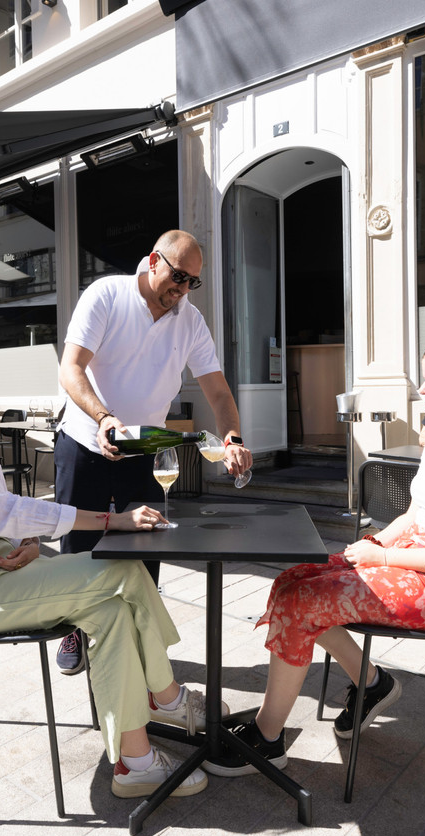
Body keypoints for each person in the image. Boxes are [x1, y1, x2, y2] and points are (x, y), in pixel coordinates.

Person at [0, 337, 221, 799]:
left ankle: (135, 763)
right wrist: (110, 519)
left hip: (4, 569)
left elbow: (8, 520)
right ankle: (168, 696)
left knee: (113, 612)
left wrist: (30, 541)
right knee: (122, 571)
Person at [202, 331, 425, 776]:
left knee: (302, 601)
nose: (421, 389)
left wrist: (384, 560)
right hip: (412, 559)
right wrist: (377, 543)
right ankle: (371, 683)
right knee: (293, 581)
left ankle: (268, 737)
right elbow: (415, 515)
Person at [53, 229, 253, 673]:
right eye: (178, 276)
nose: (181, 289)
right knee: (79, 543)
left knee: (146, 548)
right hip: (86, 440)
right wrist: (105, 418)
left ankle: (143, 637)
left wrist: (233, 437)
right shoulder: (106, 295)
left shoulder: (190, 320)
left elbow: (218, 395)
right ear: (152, 261)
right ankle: (74, 630)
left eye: (191, 282)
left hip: (146, 446)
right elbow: (71, 368)